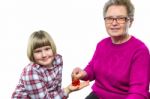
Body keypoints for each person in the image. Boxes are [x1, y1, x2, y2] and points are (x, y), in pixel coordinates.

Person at [72, 0, 150, 99]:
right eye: (109, 18)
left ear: (130, 22)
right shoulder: (102, 44)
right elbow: (93, 68)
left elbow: (138, 92)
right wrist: (83, 74)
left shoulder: (140, 51)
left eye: (120, 18)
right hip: (97, 95)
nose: (114, 23)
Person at [11, 30, 89, 99]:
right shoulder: (31, 71)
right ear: (32, 54)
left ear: (52, 48)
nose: (44, 55)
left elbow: (56, 89)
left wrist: (72, 85)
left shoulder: (57, 60)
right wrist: (68, 90)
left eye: (47, 49)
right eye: (38, 51)